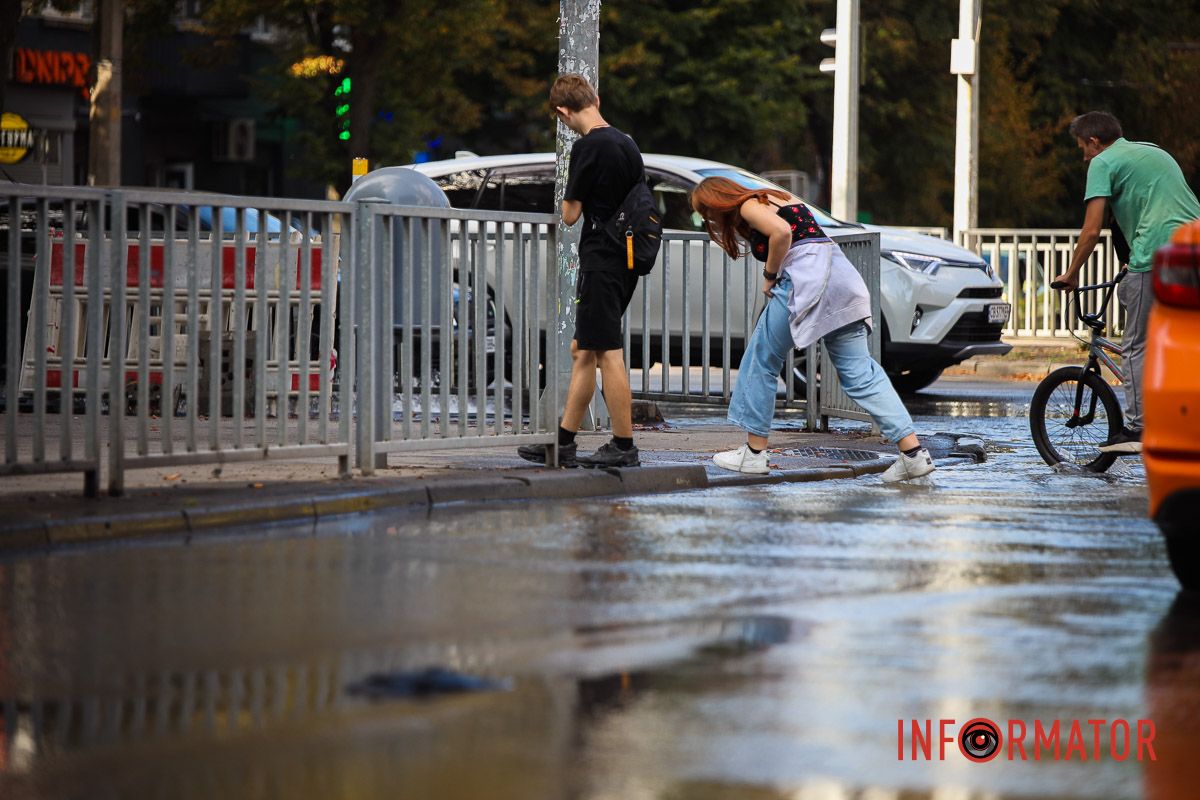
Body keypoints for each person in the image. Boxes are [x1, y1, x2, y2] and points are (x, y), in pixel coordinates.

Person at [689, 176, 934, 482]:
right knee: (861, 373)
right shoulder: (778, 197)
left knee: (762, 359)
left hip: (806, 280)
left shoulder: (749, 205)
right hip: (841, 278)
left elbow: (781, 233)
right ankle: (913, 454)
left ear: (718, 201)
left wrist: (770, 275)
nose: (708, 220)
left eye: (706, 212)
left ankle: (753, 454)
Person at [1051, 112, 1200, 454]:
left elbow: (1092, 230)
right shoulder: (1152, 151)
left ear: (1094, 142)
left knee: (1135, 345)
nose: (1084, 158)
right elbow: (1151, 206)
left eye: (1082, 149)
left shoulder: (1102, 162)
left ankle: (1137, 428)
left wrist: (1071, 273)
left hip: (1159, 256)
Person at [517, 74, 643, 469]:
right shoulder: (627, 143)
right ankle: (563, 442)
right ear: (596, 100)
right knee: (583, 349)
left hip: (601, 258)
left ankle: (624, 446)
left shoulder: (588, 147)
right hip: (626, 258)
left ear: (562, 111)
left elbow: (570, 214)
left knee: (608, 352)